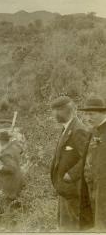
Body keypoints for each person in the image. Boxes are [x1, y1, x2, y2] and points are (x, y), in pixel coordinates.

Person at [50, 96, 93, 231]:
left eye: (57, 110)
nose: (54, 114)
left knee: (73, 228)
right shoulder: (66, 129)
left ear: (66, 110)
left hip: (74, 191)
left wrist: (71, 174)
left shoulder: (78, 130)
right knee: (64, 227)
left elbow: (88, 158)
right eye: (54, 110)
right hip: (65, 191)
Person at [78, 95, 106, 231]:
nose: (88, 118)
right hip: (92, 187)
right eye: (86, 114)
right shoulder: (93, 132)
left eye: (92, 114)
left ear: (103, 113)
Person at [0, 131, 24, 214]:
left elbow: (11, 168)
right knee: (15, 205)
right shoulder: (14, 148)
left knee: (8, 207)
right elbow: (21, 150)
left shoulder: (6, 154)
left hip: (9, 184)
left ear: (1, 141)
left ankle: (9, 221)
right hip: (17, 181)